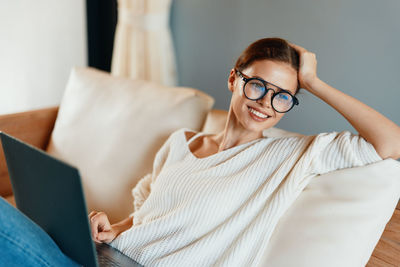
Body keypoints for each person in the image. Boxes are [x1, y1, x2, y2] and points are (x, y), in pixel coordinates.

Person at [1, 37, 399, 266]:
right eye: (258, 85)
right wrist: (108, 227)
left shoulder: (292, 158)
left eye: (283, 97)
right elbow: (141, 218)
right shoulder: (179, 143)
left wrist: (314, 82)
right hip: (109, 258)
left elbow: (391, 144)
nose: (265, 103)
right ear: (234, 79)